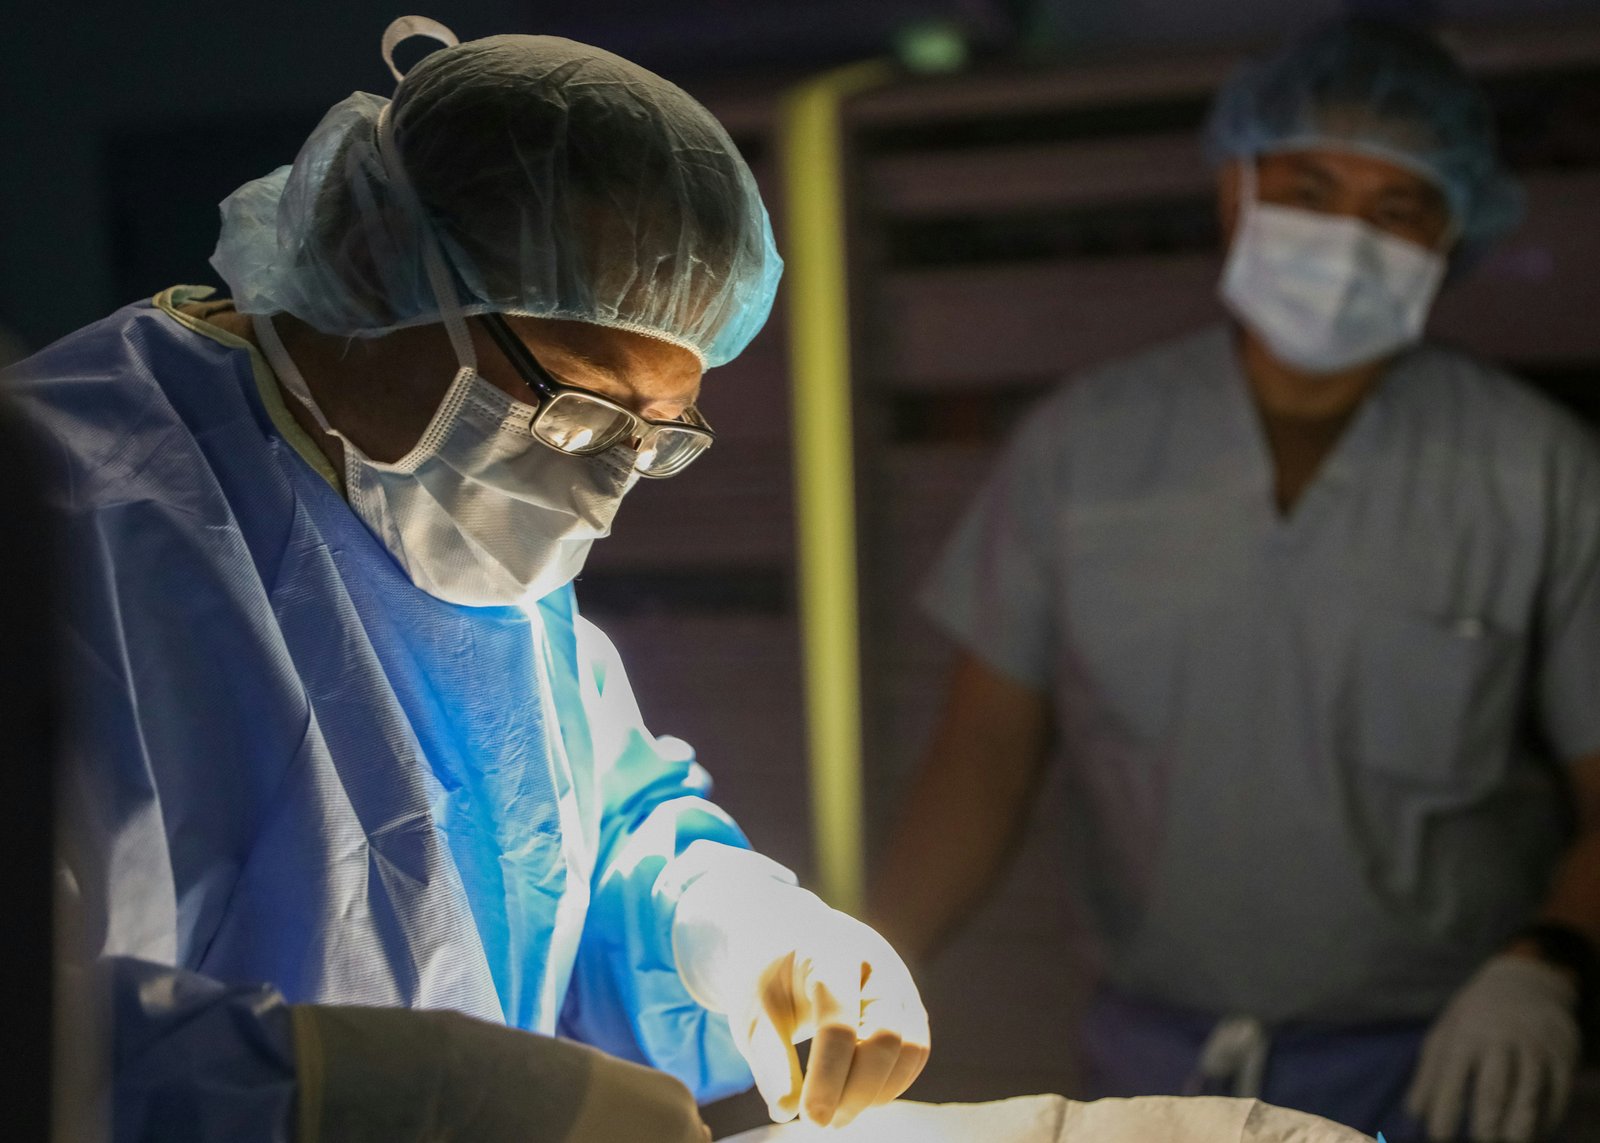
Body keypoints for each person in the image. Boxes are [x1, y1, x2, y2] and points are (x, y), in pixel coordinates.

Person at [7, 17, 928, 1143]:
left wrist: (732, 930)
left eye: (653, 436)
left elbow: (575, 855)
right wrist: (379, 1094)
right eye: (582, 409)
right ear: (375, 266)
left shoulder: (457, 521)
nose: (599, 487)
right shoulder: (65, 524)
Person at [869, 18, 1599, 1143]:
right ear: (1233, 192)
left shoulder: (1536, 471)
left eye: (1394, 208)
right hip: (1152, 1062)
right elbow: (982, 756)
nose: (1345, 237)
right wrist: (867, 954)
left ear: (1452, 234)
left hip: (1448, 1062)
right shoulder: (1086, 446)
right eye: (1308, 188)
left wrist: (1541, 969)